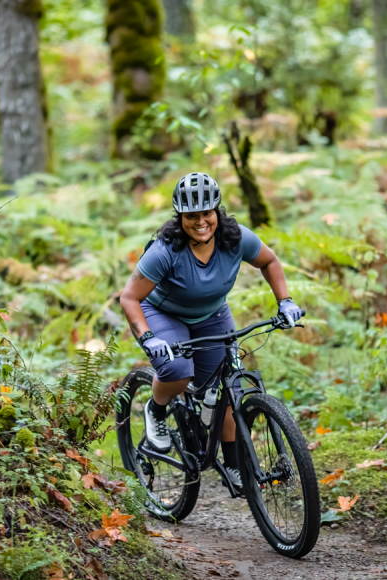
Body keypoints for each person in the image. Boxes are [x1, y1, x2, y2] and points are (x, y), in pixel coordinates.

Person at [119, 172, 304, 489]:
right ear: (180, 217)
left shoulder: (235, 239)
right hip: (162, 312)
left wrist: (285, 301)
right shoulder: (166, 250)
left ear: (217, 211)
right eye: (192, 215)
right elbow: (130, 297)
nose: (201, 221)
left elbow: (269, 261)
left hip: (212, 313)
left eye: (207, 213)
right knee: (177, 370)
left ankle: (233, 467)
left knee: (229, 384)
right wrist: (149, 338)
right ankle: (156, 408)